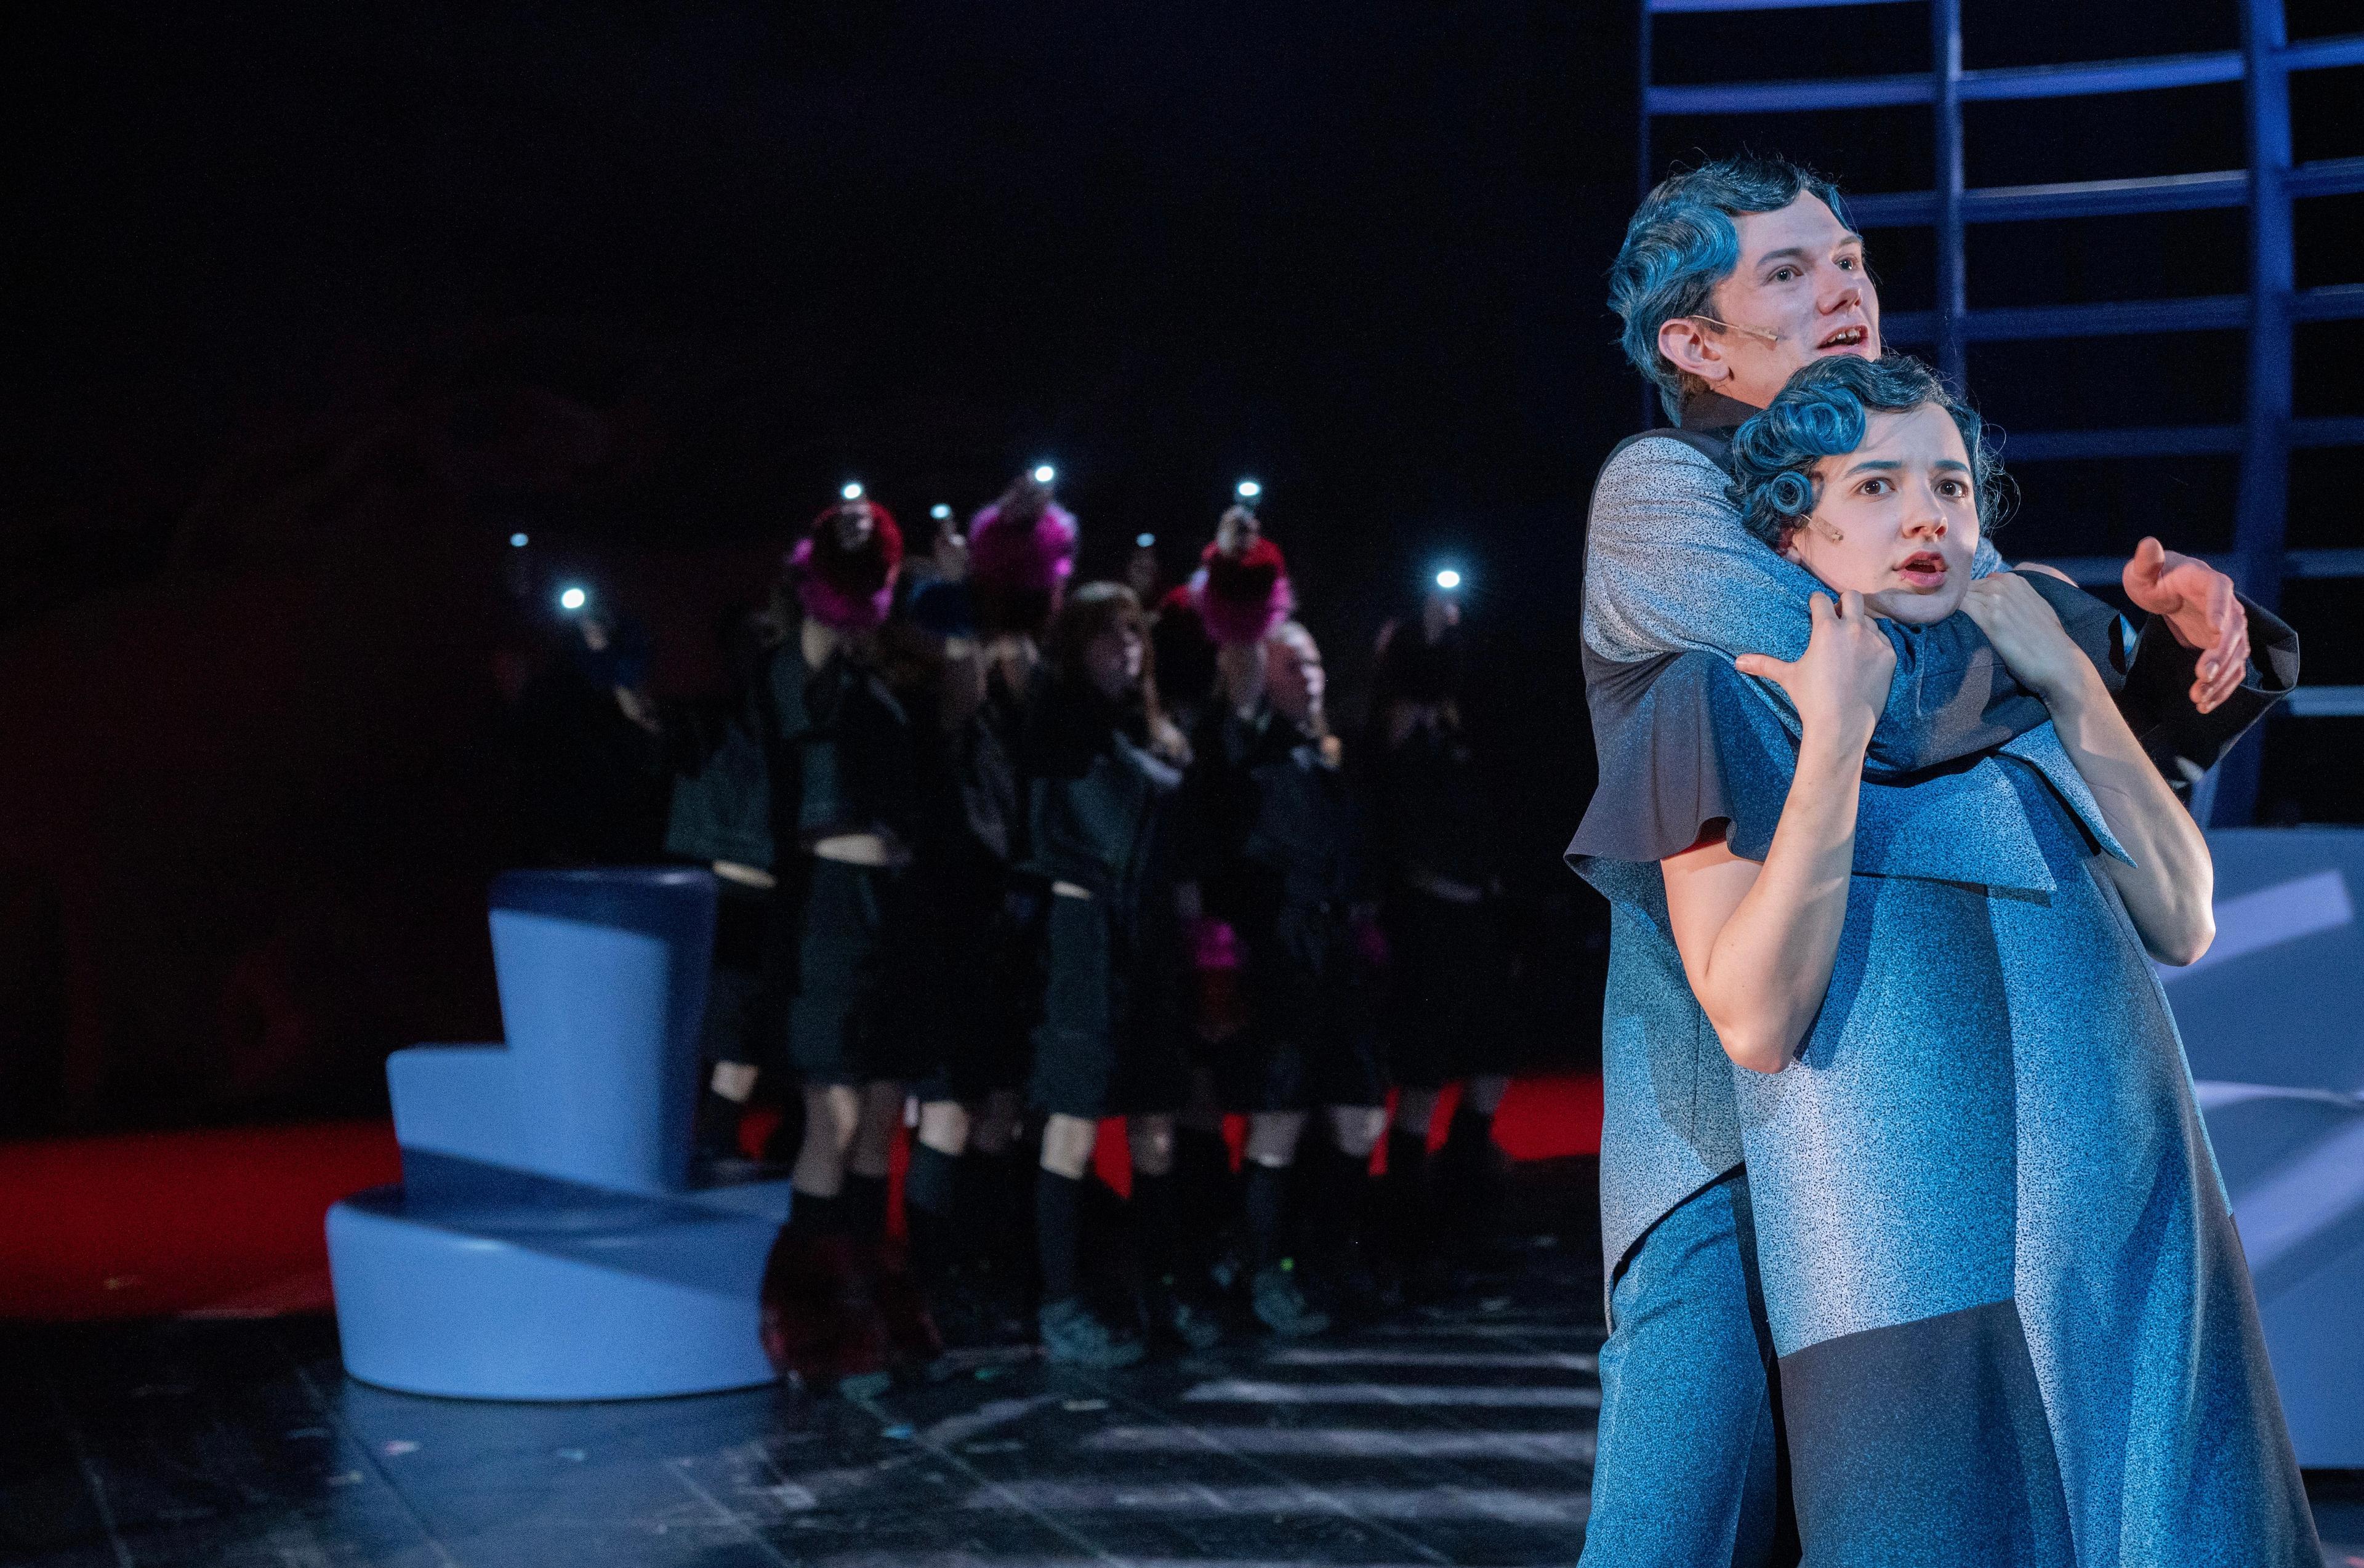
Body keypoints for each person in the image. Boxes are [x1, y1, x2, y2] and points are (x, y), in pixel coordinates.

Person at [1575, 155, 2298, 1566]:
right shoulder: (1659, 488)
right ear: (1695, 344)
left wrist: (2153, 646)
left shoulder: (1877, 487)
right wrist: (2046, 625)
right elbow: (1883, 688)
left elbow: (2007, 744)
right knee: (1684, 1508)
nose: (1842, 284)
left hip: (1905, 1091)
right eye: (1786, 269)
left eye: (1847, 257)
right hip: (1722, 1107)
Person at [754, 491, 942, 1394]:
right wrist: (845, 536)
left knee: (876, 1125)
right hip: (828, 904)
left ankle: (869, 1295)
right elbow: (828, 617)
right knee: (829, 1123)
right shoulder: (802, 666)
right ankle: (808, 1314)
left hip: (893, 908)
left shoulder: (883, 681)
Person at [1185, 512, 1386, 1335]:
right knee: (1277, 1115)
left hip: (1337, 950)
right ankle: (1267, 1268)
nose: (1307, 675)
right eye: (1291, 662)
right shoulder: (1244, 743)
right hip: (1277, 947)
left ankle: (1328, 1252)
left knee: (1357, 1112)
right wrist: (1242, 569)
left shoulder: (1328, 753)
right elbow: (1235, 662)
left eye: (1313, 662)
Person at [902, 472, 1078, 1341]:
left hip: (1020, 906)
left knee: (1005, 1106)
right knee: (952, 1105)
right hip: (952, 906)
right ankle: (931, 1289)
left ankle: (986, 1269)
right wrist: (968, 594)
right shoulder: (951, 646)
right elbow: (953, 707)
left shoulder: (1043, 667)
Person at [1019, 581, 1204, 1365]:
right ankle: (1061, 1305)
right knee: (1073, 1124)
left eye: (1134, 635)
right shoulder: (1059, 721)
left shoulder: (1151, 730)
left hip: (1149, 939)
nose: (1126, 648)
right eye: (1107, 635)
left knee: (1155, 1125)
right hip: (1083, 941)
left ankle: (1154, 1290)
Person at [1363, 589, 1516, 1298]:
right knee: (1422, 1079)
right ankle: (1407, 1236)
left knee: (1490, 1065)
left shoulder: (1455, 729)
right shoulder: (1397, 726)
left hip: (1476, 917)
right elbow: (1413, 686)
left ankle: (1464, 1208)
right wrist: (1420, 635)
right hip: (1425, 920)